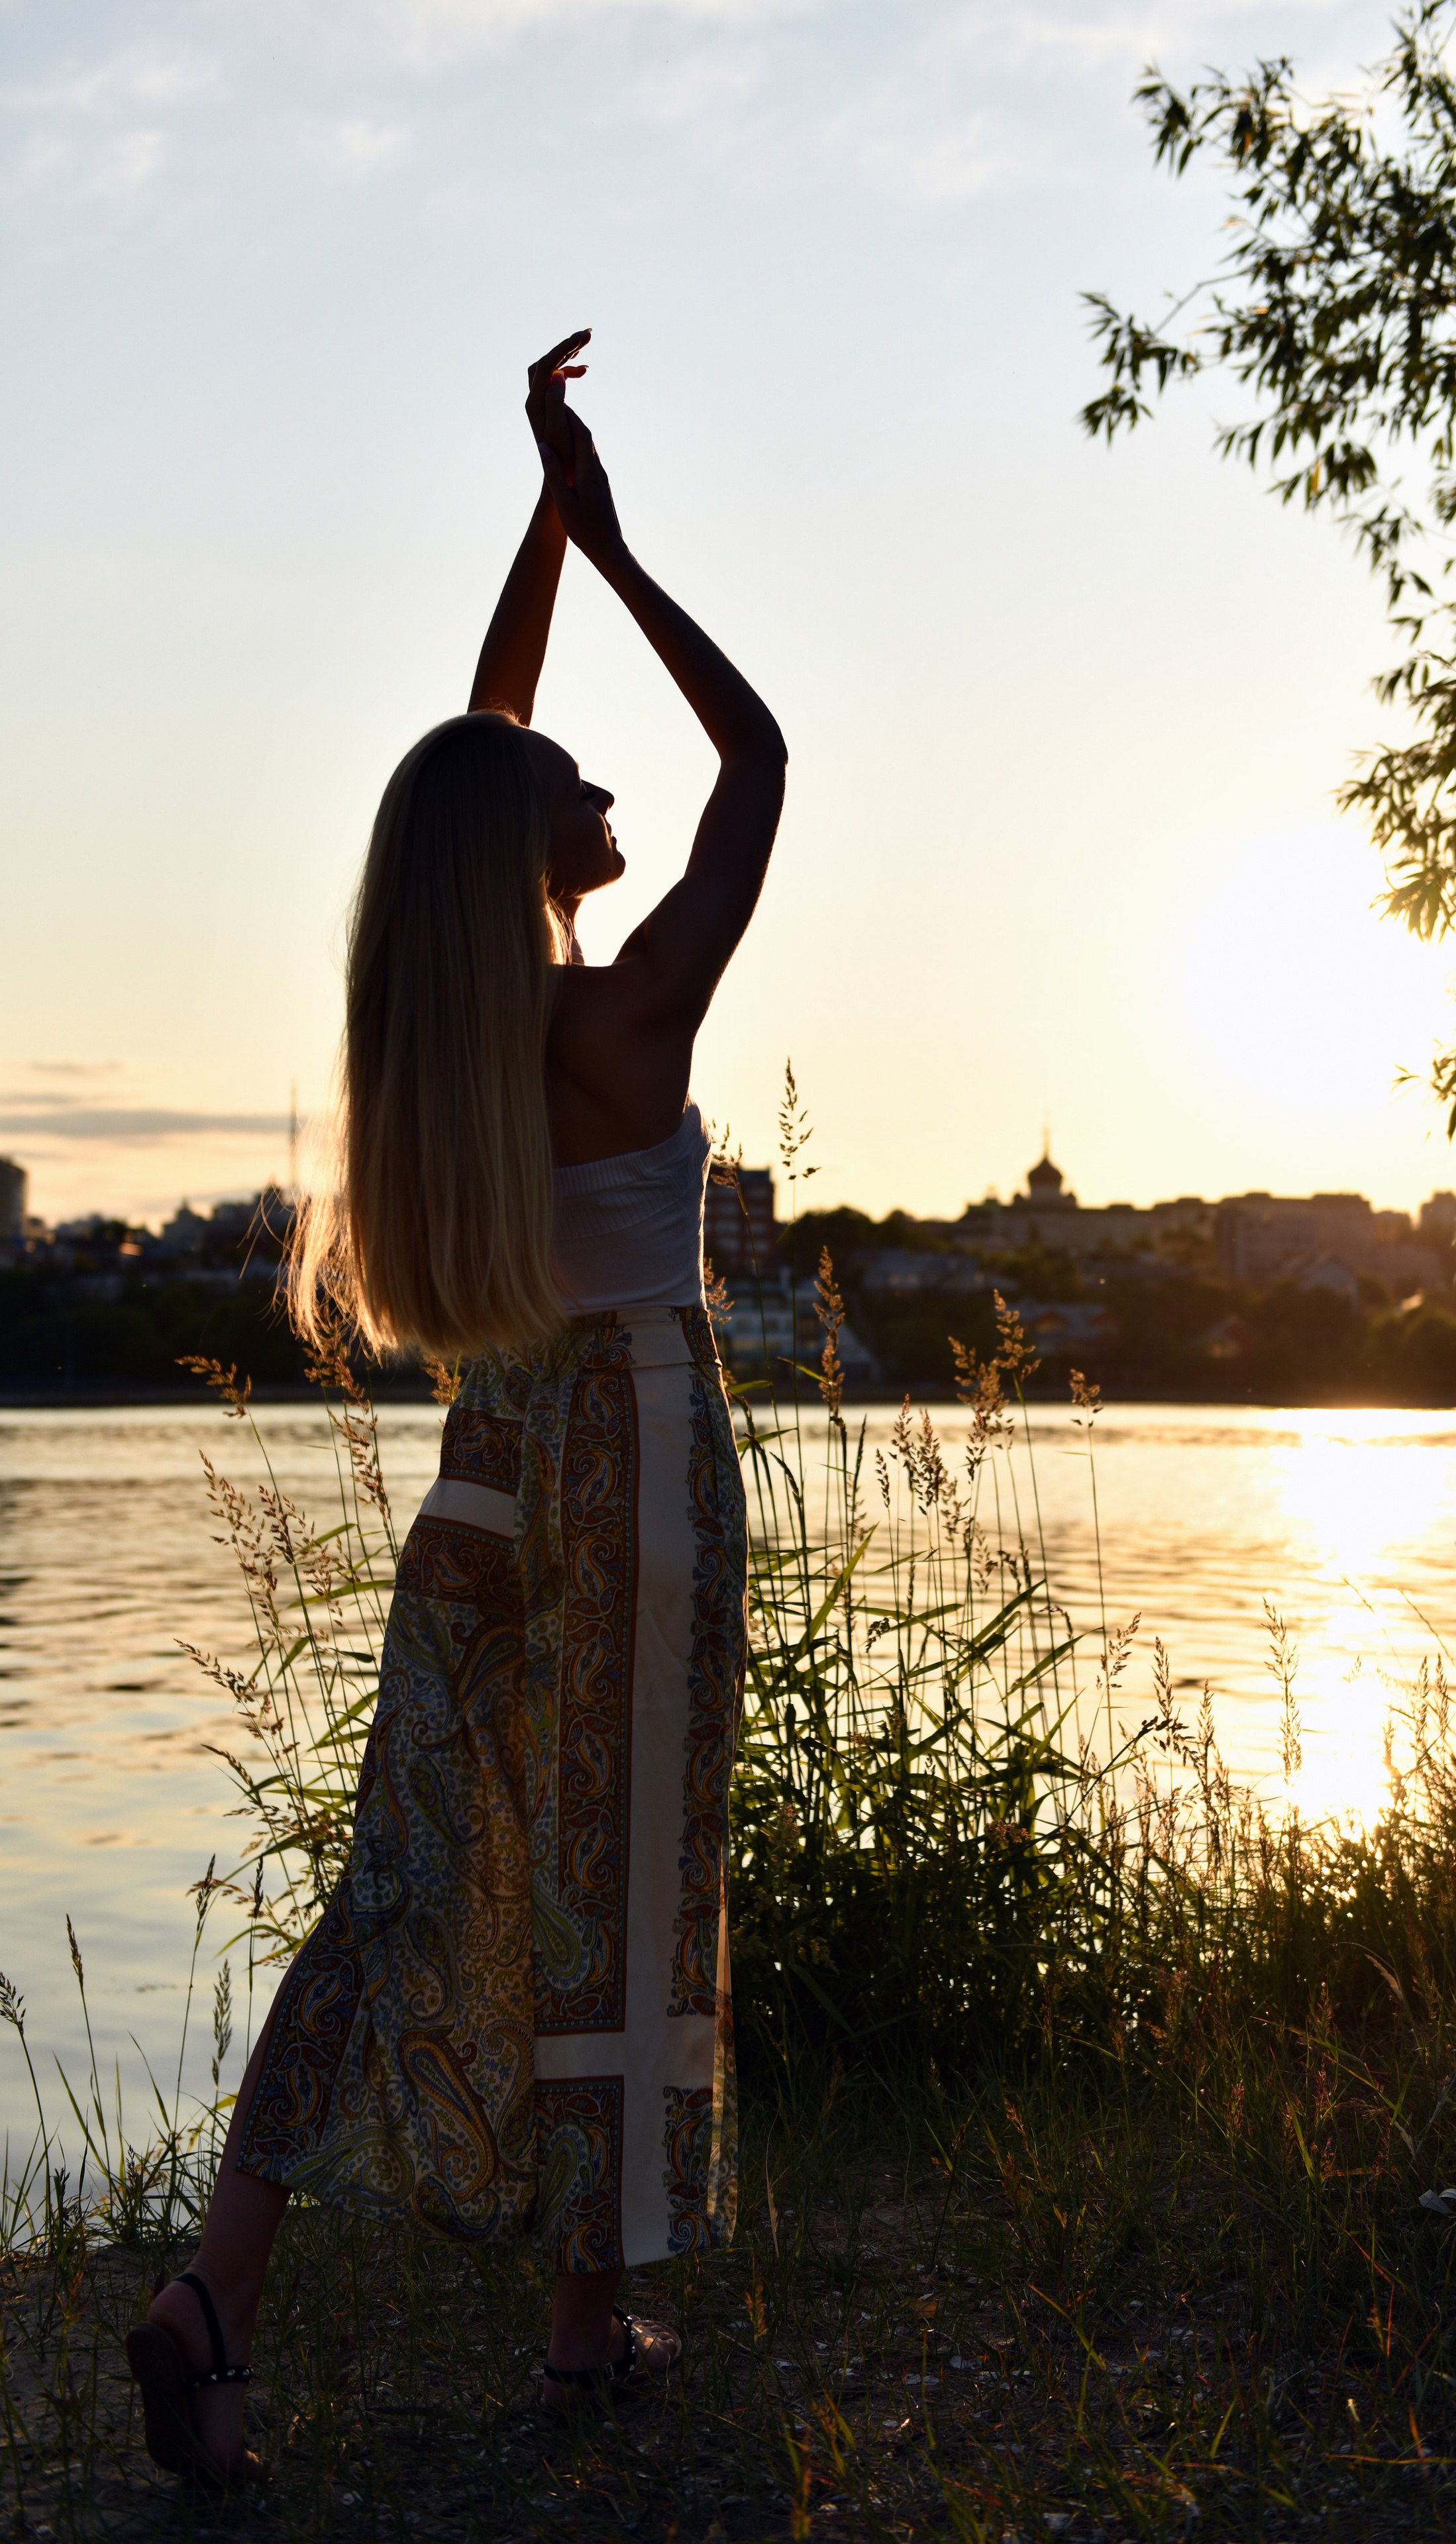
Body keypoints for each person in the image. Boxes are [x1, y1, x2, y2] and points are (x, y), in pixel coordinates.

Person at [125, 331, 786, 2485]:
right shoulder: (621, 1026)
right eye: (578, 786)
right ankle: (591, 2332)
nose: (602, 789)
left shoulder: (451, 1033)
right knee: (630, 1864)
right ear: (543, 854)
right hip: (642, 1458)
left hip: (486, 1474)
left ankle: (217, 2289)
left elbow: (472, 754)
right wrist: (625, 551)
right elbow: (759, 761)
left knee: (401, 1880)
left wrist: (543, 520)